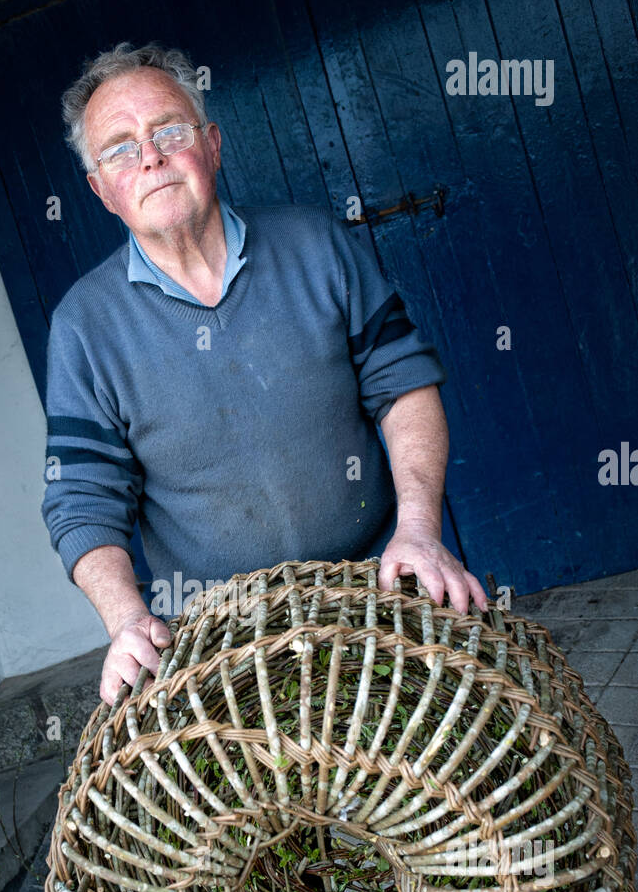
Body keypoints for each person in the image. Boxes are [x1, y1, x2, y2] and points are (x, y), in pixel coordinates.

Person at [42, 42, 487, 706]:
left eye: (169, 131)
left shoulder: (314, 244)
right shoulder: (84, 325)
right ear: (101, 190)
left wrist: (419, 533)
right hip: (223, 644)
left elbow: (403, 386)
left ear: (212, 145)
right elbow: (81, 497)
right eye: (120, 148)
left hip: (383, 590)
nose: (151, 157)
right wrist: (128, 621)